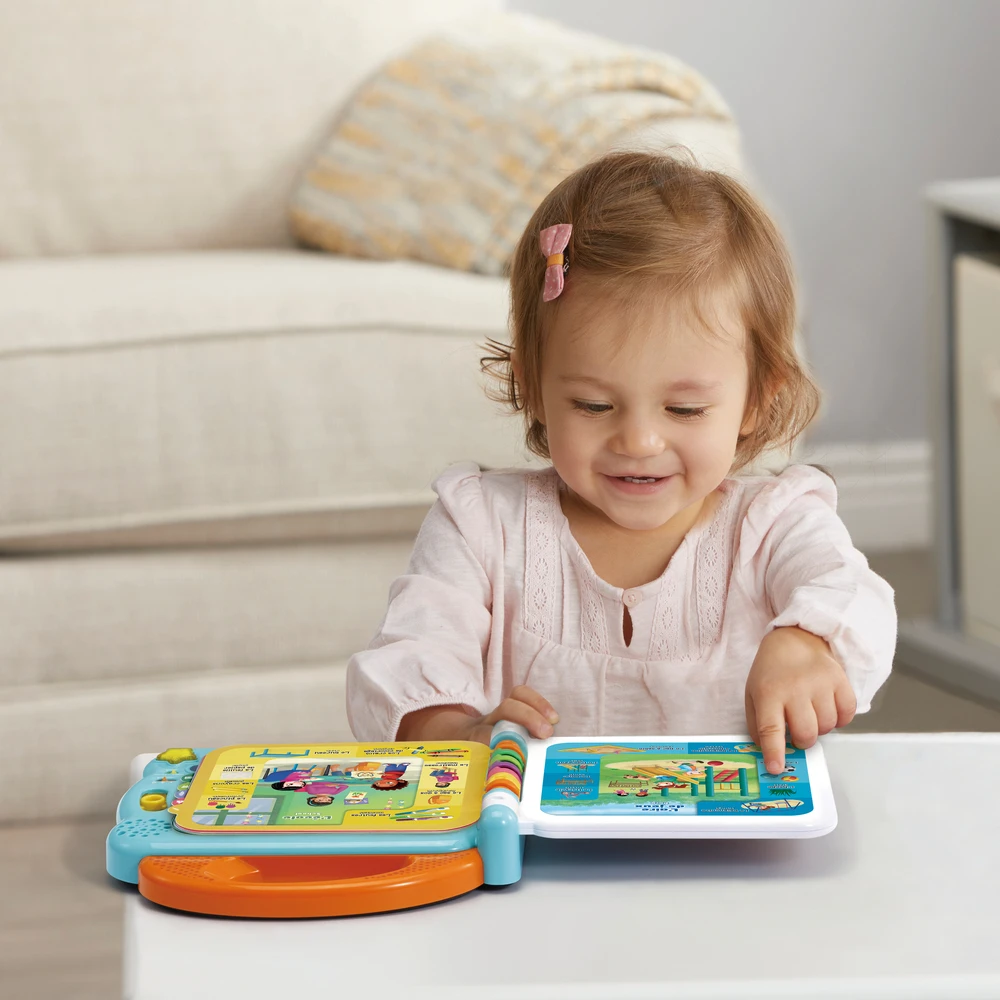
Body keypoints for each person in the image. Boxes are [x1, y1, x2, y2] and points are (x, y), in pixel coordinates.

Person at [346, 151, 896, 774]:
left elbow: (853, 595)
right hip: (528, 832)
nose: (638, 441)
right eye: (594, 405)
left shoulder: (776, 524)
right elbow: (411, 660)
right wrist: (459, 734)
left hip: (726, 830)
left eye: (684, 409)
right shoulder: (479, 525)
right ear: (532, 387)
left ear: (756, 400)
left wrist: (806, 640)